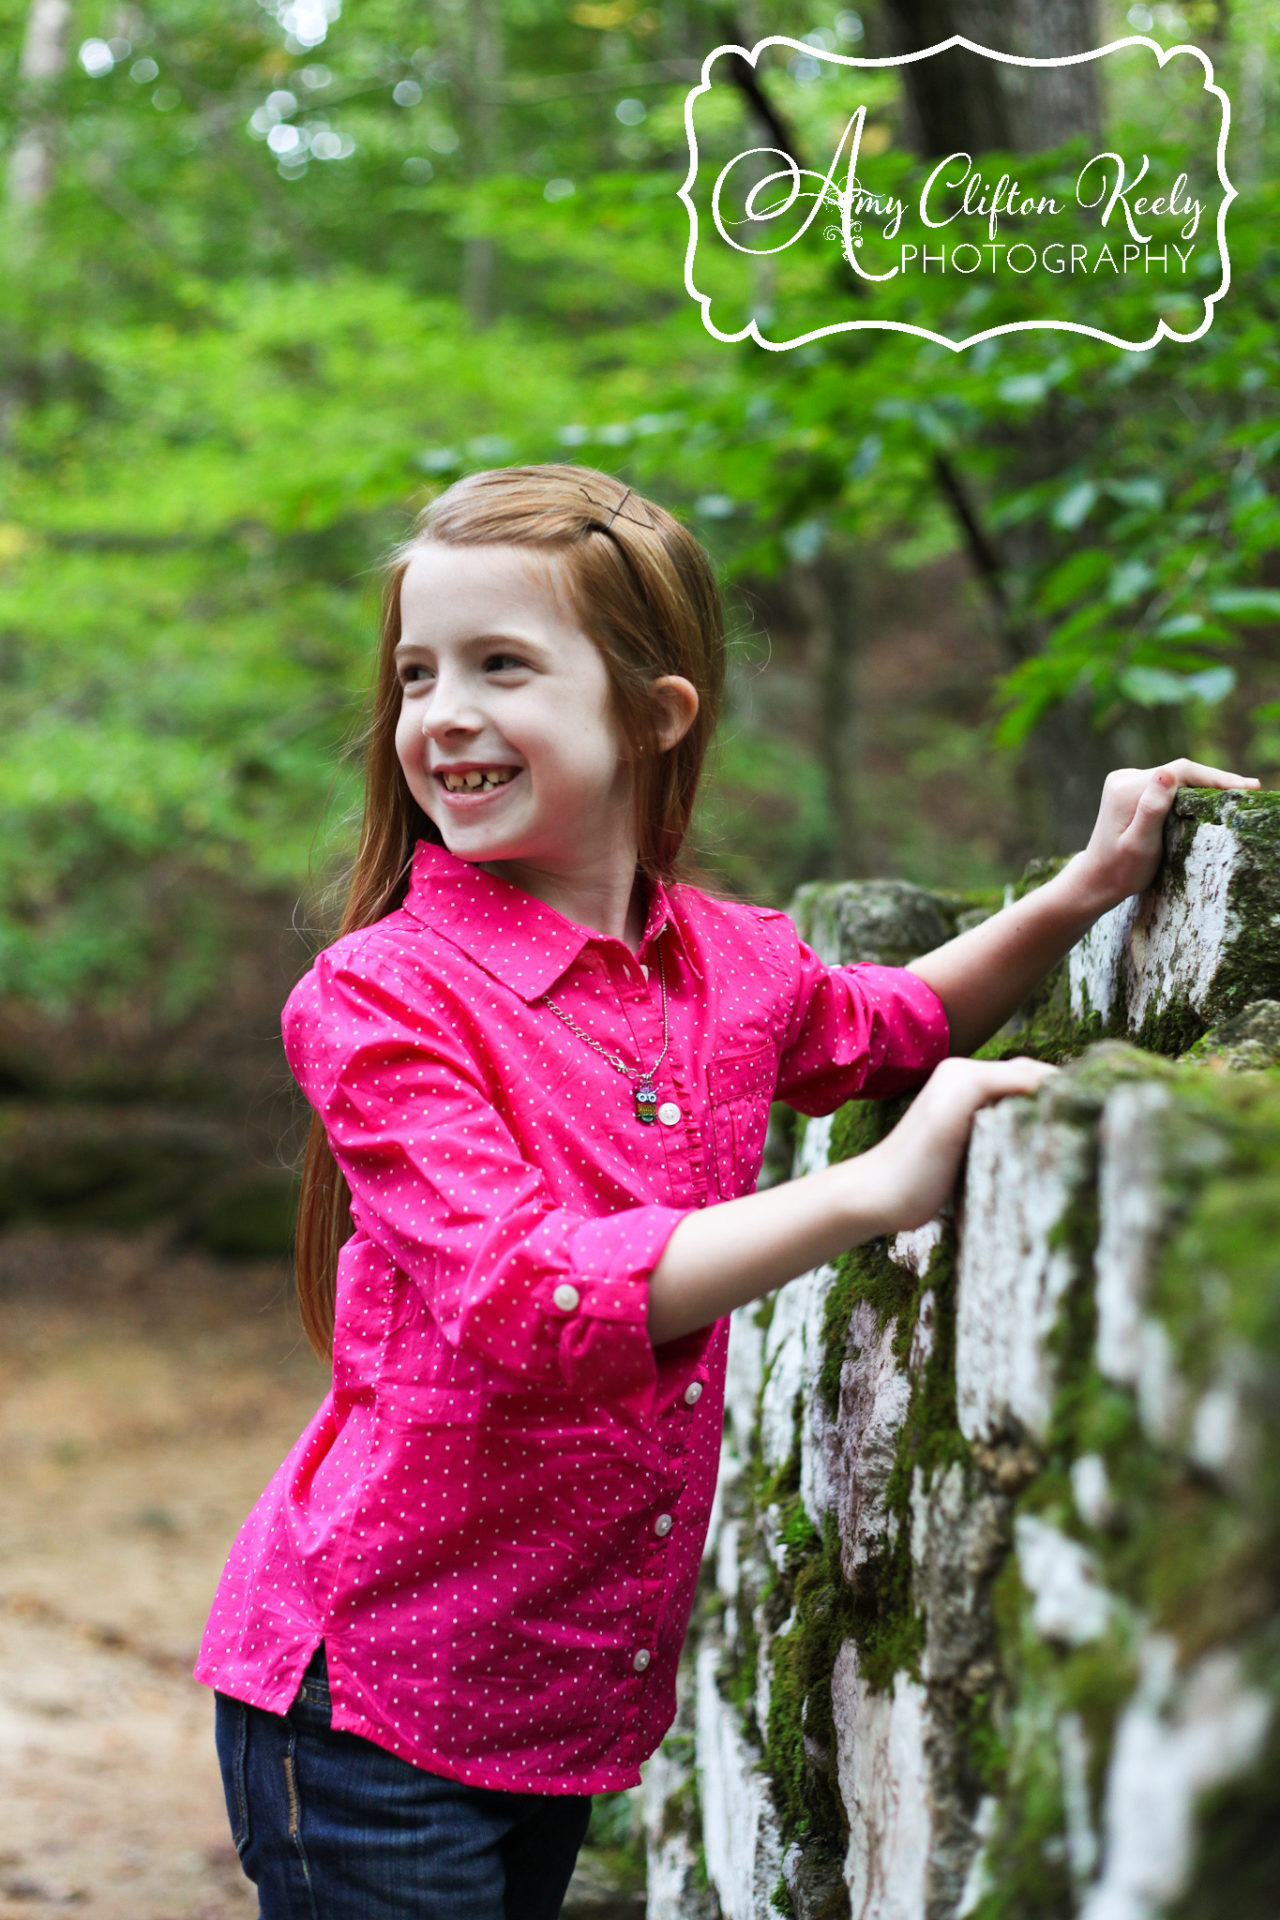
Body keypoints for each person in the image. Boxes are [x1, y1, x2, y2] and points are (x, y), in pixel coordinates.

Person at [194, 461, 1259, 1919]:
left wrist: (1084, 890)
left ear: (655, 712)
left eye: (502, 666)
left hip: (552, 1704)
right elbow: (531, 1300)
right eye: (415, 674)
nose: (440, 714)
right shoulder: (382, 998)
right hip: (373, 1694)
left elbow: (897, 1023)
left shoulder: (732, 966)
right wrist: (872, 1196)